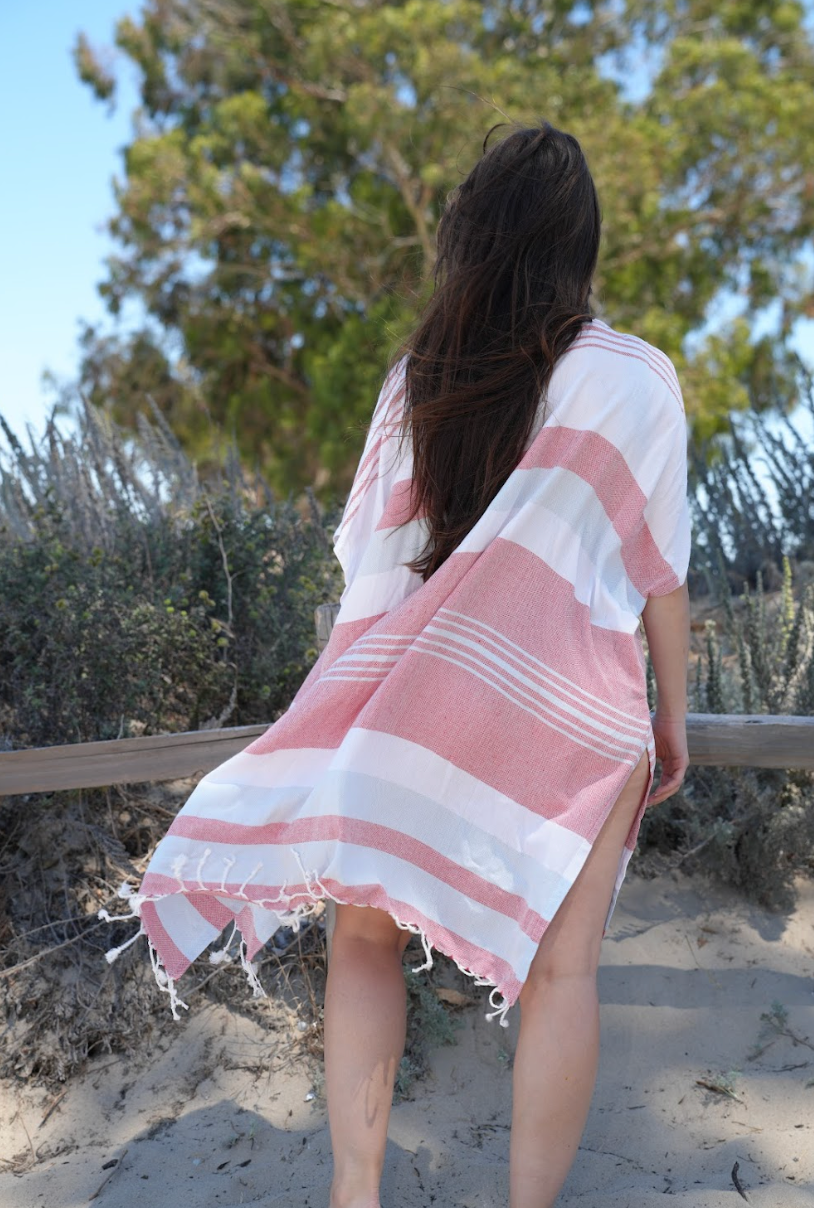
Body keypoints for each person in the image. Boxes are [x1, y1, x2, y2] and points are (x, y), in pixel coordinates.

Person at [106, 119, 691, 1208]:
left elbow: (361, 558)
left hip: (413, 707)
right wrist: (677, 720)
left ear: (470, 235)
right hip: (573, 711)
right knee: (562, 974)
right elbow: (659, 569)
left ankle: (355, 1190)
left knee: (361, 943)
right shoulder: (637, 378)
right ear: (582, 245)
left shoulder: (413, 379)